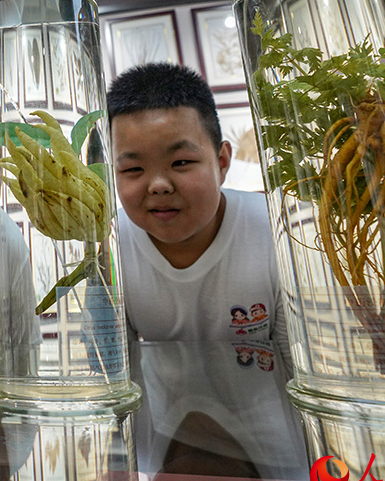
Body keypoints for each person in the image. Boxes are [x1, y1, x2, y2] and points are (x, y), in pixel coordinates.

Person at [107, 63, 286, 343]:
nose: (159, 186)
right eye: (133, 169)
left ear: (222, 161)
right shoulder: (109, 247)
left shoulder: (275, 230)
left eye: (181, 163)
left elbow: (298, 363)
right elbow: (109, 369)